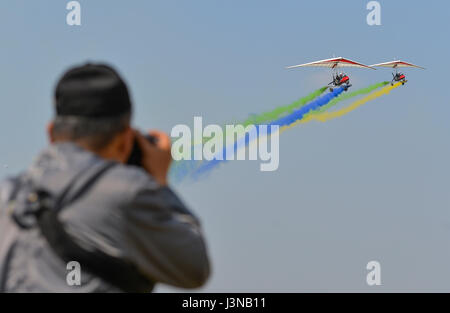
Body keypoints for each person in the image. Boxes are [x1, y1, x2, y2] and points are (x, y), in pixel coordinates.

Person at [0, 63, 210, 292]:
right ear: (125, 140)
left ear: (51, 133)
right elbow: (194, 269)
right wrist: (160, 181)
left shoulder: (6, 194)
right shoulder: (128, 192)